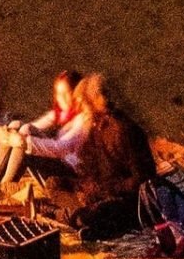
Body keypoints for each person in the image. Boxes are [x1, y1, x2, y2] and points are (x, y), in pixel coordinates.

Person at [67, 73, 157, 243]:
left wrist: (111, 189)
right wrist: (88, 187)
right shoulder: (97, 128)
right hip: (104, 194)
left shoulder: (124, 130)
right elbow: (94, 169)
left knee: (94, 213)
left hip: (129, 200)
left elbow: (144, 177)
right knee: (55, 184)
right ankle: (76, 216)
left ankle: (75, 217)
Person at [0, 70, 88, 199]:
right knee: (16, 125)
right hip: (59, 165)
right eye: (59, 94)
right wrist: (6, 132)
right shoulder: (60, 114)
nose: (62, 98)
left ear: (76, 94)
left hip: (70, 174)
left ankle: (3, 189)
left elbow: (62, 148)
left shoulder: (83, 119)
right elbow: (30, 126)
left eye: (66, 93)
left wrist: (24, 142)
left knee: (25, 132)